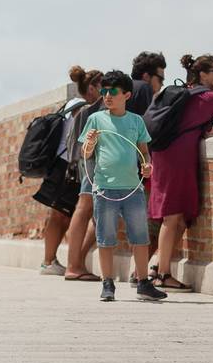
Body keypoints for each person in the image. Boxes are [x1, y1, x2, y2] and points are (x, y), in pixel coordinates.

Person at [148, 54, 213, 292]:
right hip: (179, 159)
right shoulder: (210, 98)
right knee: (172, 216)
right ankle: (163, 275)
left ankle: (156, 266)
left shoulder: (176, 93)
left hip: (163, 154)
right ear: (203, 74)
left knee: (177, 217)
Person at [79, 70, 167, 302]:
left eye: (113, 91)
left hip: (133, 189)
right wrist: (90, 143)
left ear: (126, 95)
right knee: (105, 238)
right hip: (104, 189)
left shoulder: (136, 121)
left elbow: (144, 153)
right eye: (104, 91)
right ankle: (107, 284)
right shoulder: (96, 120)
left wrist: (147, 167)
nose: (107, 96)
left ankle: (143, 283)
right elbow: (86, 154)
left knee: (140, 237)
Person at [62, 66, 105, 281]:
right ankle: (73, 265)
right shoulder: (91, 111)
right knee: (84, 207)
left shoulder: (87, 111)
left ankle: (76, 261)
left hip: (88, 165)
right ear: (92, 88)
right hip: (92, 165)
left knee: (90, 211)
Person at [35, 96, 87, 275]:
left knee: (61, 216)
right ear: (91, 88)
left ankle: (50, 260)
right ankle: (48, 261)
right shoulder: (81, 108)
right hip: (66, 166)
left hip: (59, 164)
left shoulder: (72, 104)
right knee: (59, 216)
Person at [126, 51, 166, 283]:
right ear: (146, 75)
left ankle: (136, 271)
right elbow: (146, 127)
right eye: (159, 79)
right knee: (148, 221)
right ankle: (139, 273)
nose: (161, 85)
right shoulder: (142, 89)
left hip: (121, 165)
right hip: (139, 166)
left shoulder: (125, 89)